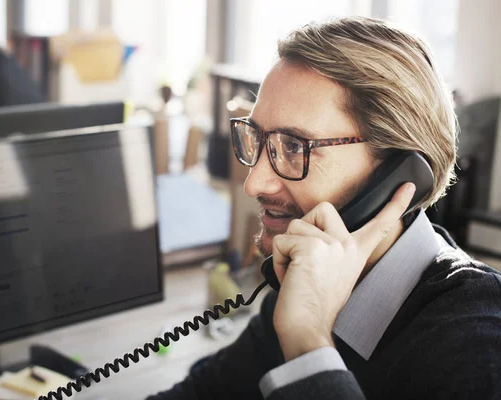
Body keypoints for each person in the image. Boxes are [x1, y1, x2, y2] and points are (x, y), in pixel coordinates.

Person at [147, 17, 501, 400]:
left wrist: (307, 341)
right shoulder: (306, 278)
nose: (255, 183)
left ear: (399, 173)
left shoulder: (479, 346)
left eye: (295, 147)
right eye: (257, 138)